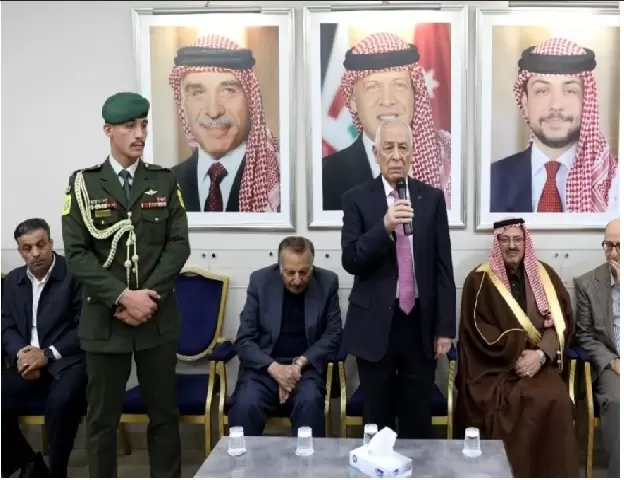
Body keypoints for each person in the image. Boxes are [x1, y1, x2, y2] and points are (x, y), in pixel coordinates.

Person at [61, 92, 191, 477]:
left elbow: (178, 244)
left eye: (144, 125)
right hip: (105, 320)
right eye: (129, 126)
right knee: (102, 419)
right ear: (108, 130)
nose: (140, 134)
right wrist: (122, 297)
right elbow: (77, 254)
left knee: (164, 415)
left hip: (156, 316)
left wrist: (146, 299)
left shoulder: (164, 180)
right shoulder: (83, 185)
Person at [340, 118, 455, 438]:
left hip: (419, 322)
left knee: (417, 418)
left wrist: (445, 328)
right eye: (388, 147)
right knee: (377, 419)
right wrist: (384, 227)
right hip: (375, 324)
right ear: (375, 152)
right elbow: (351, 260)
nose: (396, 155)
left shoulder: (431, 198)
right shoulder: (356, 198)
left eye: (403, 147)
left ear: (412, 152)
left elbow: (443, 267)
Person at [455, 217, 579, 477]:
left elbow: (561, 321)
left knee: (556, 399)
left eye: (517, 239)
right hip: (495, 368)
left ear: (525, 242)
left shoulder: (545, 276)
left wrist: (541, 354)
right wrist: (516, 349)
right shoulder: (478, 281)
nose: (512, 245)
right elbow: (475, 330)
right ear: (497, 242)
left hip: (539, 365)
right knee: (506, 405)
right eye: (505, 239)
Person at [322, 32, 452, 211]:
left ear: (415, 94)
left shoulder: (448, 165)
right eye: (373, 87)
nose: (387, 100)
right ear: (353, 101)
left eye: (399, 85)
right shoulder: (325, 178)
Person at [229, 236, 342, 437]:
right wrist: (275, 369)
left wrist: (299, 364)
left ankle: (307, 459)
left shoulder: (327, 282)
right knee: (245, 405)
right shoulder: (260, 281)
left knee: (309, 403)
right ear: (280, 267)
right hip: (264, 370)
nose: (297, 280)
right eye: (290, 272)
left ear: (312, 267)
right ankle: (244, 459)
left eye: (303, 272)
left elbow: (333, 334)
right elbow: (244, 339)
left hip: (305, 371)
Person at [490, 37, 619, 213]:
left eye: (570, 91)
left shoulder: (615, 181)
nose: (556, 105)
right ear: (525, 104)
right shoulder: (491, 180)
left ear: (586, 101)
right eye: (542, 91)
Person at [2, 218, 86, 478]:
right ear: (20, 251)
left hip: (69, 362)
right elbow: (5, 325)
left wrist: (46, 355)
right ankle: (30, 464)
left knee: (60, 404)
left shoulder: (76, 274)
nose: (35, 253)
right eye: (27, 248)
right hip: (28, 361)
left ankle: (57, 474)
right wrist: (23, 354)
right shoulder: (13, 280)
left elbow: (85, 327)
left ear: (51, 243)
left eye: (41, 245)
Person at [169, 34, 280, 213]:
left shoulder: (280, 181)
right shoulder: (165, 184)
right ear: (182, 103)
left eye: (228, 90)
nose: (213, 111)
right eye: (197, 92)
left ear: (251, 100)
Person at [574, 217, 620, 478]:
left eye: (619, 246)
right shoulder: (587, 284)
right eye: (608, 245)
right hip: (612, 365)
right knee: (618, 401)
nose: (612, 253)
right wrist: (612, 362)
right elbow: (585, 335)